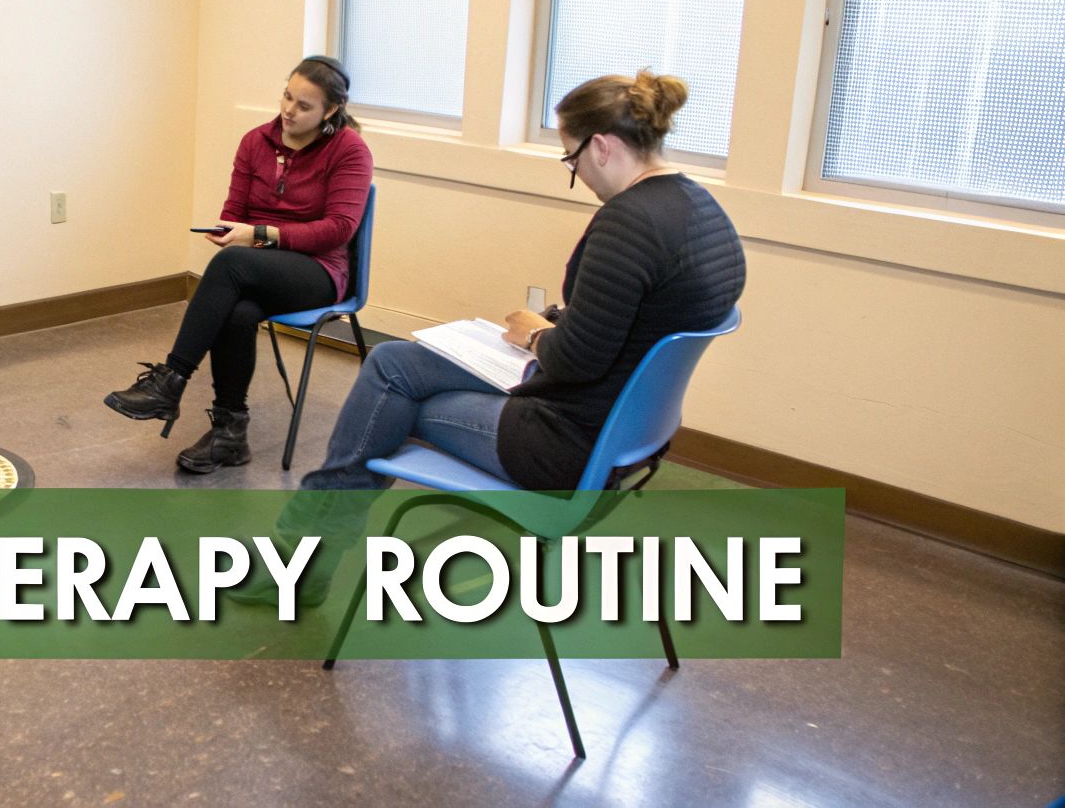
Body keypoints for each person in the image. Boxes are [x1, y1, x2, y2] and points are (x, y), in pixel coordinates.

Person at [267, 70, 746, 593]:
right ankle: (306, 554)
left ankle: (299, 562)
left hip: (563, 444)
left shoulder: (627, 222)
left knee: (390, 396)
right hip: (627, 433)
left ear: (603, 147)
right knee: (391, 363)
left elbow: (577, 360)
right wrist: (555, 324)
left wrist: (539, 336)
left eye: (572, 160)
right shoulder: (703, 211)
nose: (578, 174)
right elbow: (637, 317)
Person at [104, 56, 374, 473]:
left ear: (331, 111)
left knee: (232, 266)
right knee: (238, 311)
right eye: (287, 96)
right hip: (259, 265)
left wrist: (260, 235)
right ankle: (230, 432)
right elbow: (235, 211)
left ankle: (171, 380)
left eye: (304, 106)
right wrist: (230, 230)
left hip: (318, 271)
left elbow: (338, 229)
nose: (288, 110)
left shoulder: (349, 150)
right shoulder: (255, 142)